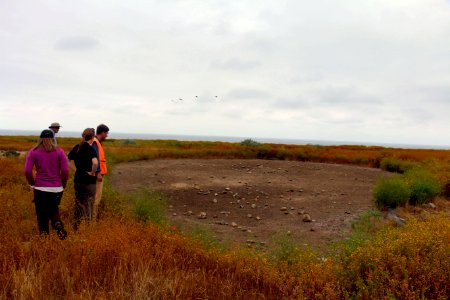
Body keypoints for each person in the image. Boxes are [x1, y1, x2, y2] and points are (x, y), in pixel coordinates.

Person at [25, 129, 68, 240]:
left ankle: (44, 242)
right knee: (53, 210)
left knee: (42, 216)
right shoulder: (60, 151)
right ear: (53, 138)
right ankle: (58, 224)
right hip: (57, 188)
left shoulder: (34, 151)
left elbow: (27, 171)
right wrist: (62, 185)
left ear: (40, 139)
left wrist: (32, 184)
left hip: (40, 188)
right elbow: (65, 171)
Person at [68, 128, 99, 230]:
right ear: (93, 137)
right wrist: (92, 172)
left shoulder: (77, 147)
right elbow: (95, 163)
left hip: (78, 180)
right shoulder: (91, 149)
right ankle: (89, 228)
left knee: (78, 204)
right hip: (89, 182)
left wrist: (75, 170)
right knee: (89, 205)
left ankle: (75, 227)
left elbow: (67, 160)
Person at [92, 124, 109, 219]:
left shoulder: (96, 142)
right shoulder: (95, 142)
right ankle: (92, 223)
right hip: (98, 175)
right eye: (106, 133)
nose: (107, 135)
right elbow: (95, 158)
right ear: (102, 132)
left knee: (96, 198)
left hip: (98, 174)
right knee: (96, 199)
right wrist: (98, 173)